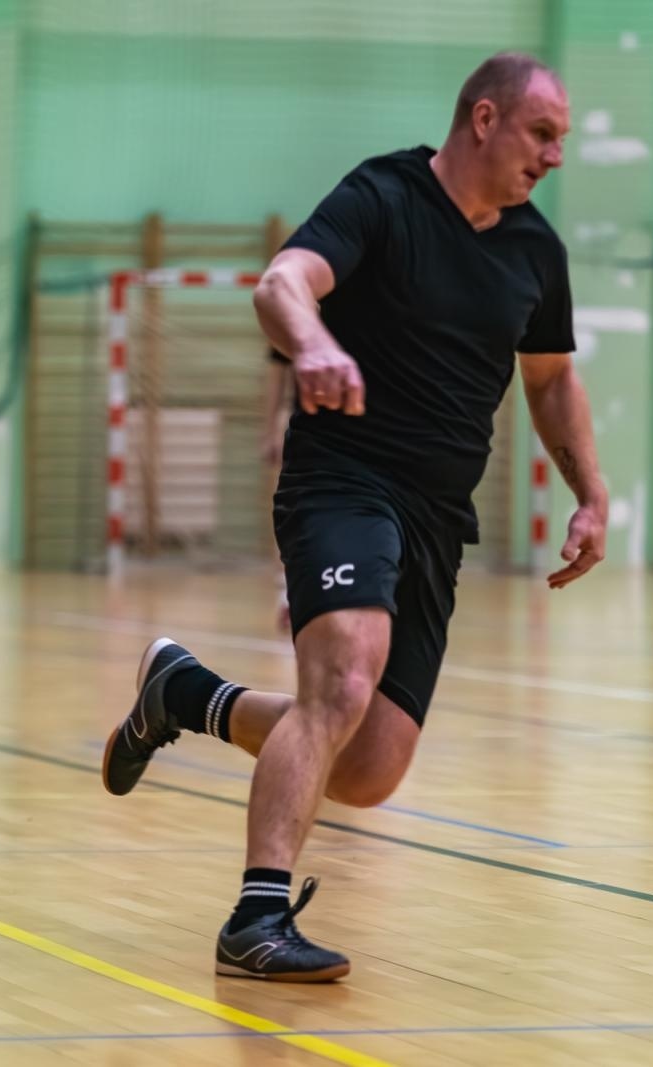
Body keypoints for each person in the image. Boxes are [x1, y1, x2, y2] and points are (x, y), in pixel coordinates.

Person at [102, 53, 607, 981]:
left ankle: (184, 695)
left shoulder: (537, 250)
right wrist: (315, 342)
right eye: (543, 133)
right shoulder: (384, 194)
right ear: (485, 118)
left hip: (438, 516)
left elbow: (550, 379)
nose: (556, 155)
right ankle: (255, 917)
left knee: (370, 767)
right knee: (341, 679)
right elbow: (281, 284)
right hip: (344, 478)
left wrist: (591, 491)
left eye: (564, 138)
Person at [261, 346, 294, 630]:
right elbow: (277, 367)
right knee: (288, 511)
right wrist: (271, 428)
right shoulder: (299, 304)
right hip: (305, 424)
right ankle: (285, 594)